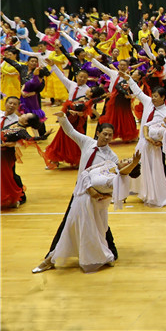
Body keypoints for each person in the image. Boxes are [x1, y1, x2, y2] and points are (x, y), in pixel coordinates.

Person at [32, 115, 140, 274]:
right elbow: (71, 131)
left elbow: (116, 177)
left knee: (99, 225)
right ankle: (51, 257)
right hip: (81, 190)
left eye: (110, 135)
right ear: (98, 133)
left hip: (96, 196)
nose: (108, 137)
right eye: (105, 134)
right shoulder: (87, 143)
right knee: (71, 224)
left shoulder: (112, 157)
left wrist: (105, 196)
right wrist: (62, 118)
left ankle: (108, 253)